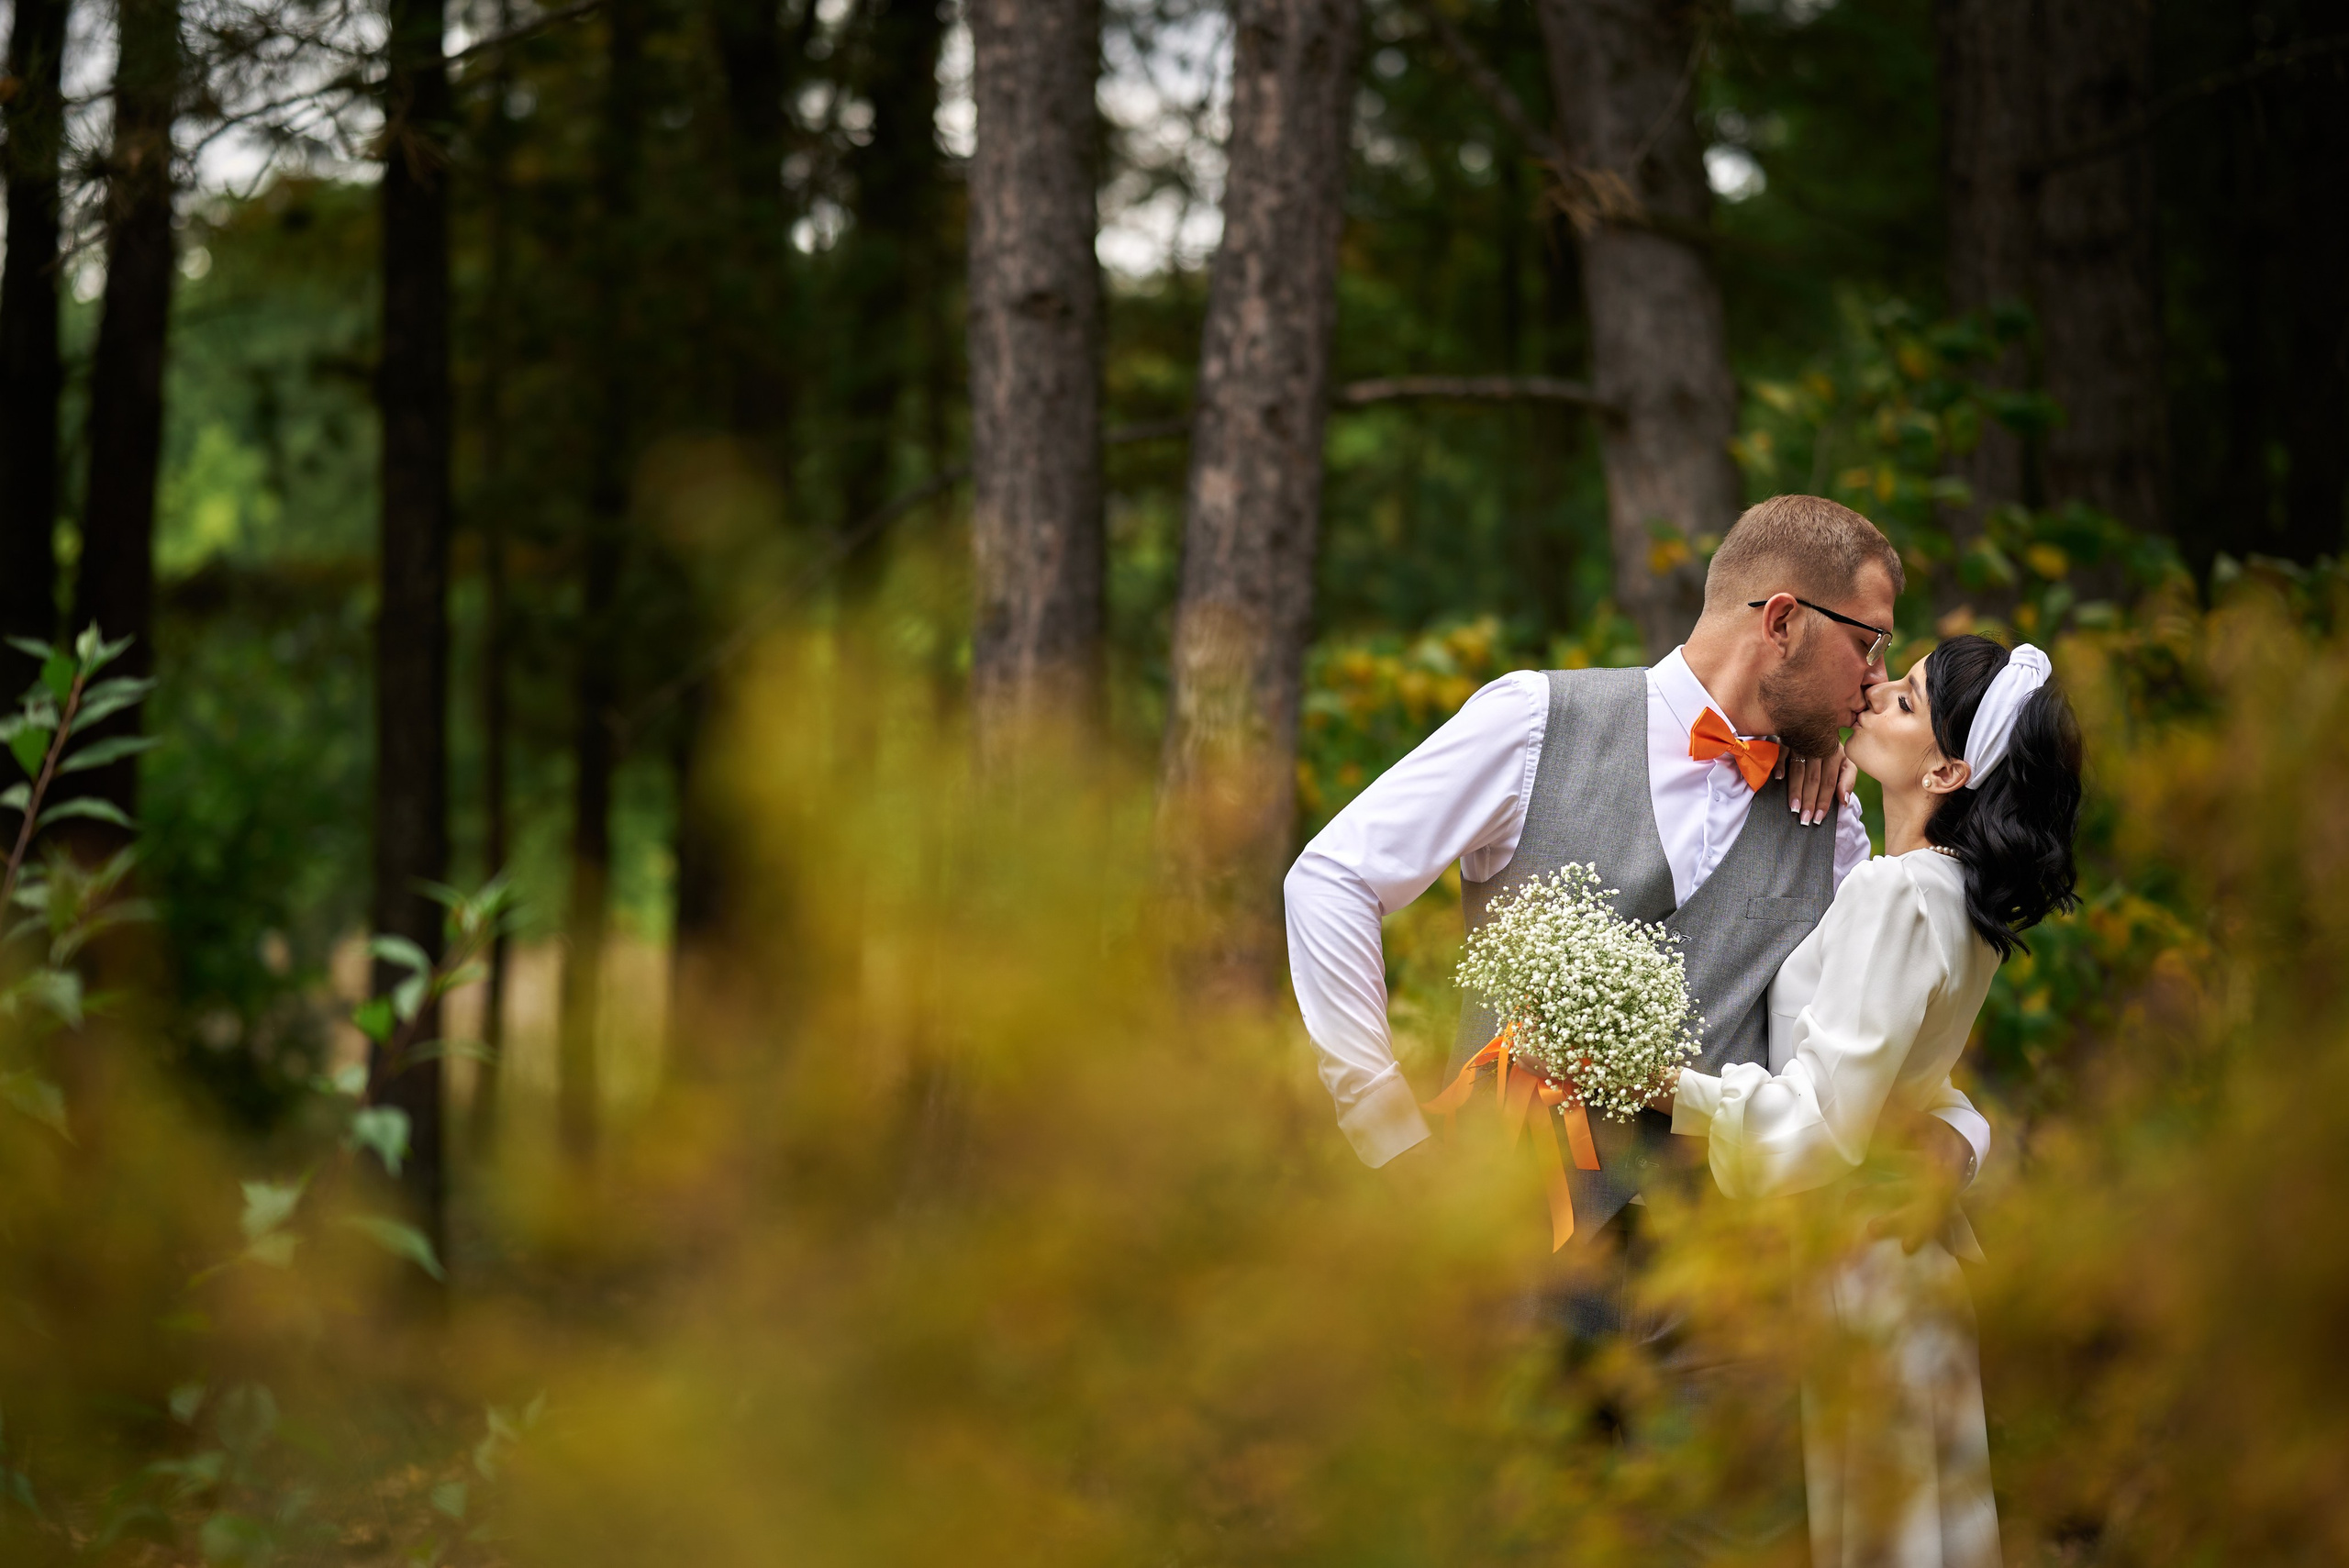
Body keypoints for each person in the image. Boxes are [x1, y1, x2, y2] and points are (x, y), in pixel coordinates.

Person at [1284, 495, 1991, 1331]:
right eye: (1867, 641)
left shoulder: (1830, 810)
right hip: (1502, 1272)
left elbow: (1866, 1033)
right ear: (1783, 621)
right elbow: (1331, 880)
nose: (1877, 678)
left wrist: (1959, 1134)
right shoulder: (1537, 720)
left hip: (1721, 1298)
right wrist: (1388, 1133)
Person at [1666, 634, 2083, 1568]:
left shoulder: (1897, 892)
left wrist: (1662, 1085)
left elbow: (1816, 1127)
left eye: (1902, 700)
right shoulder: (1953, 899)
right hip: (1914, 1266)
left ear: (1946, 766)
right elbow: (1914, 1080)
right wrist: (1957, 1135)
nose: (1870, 696)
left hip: (1862, 1274)